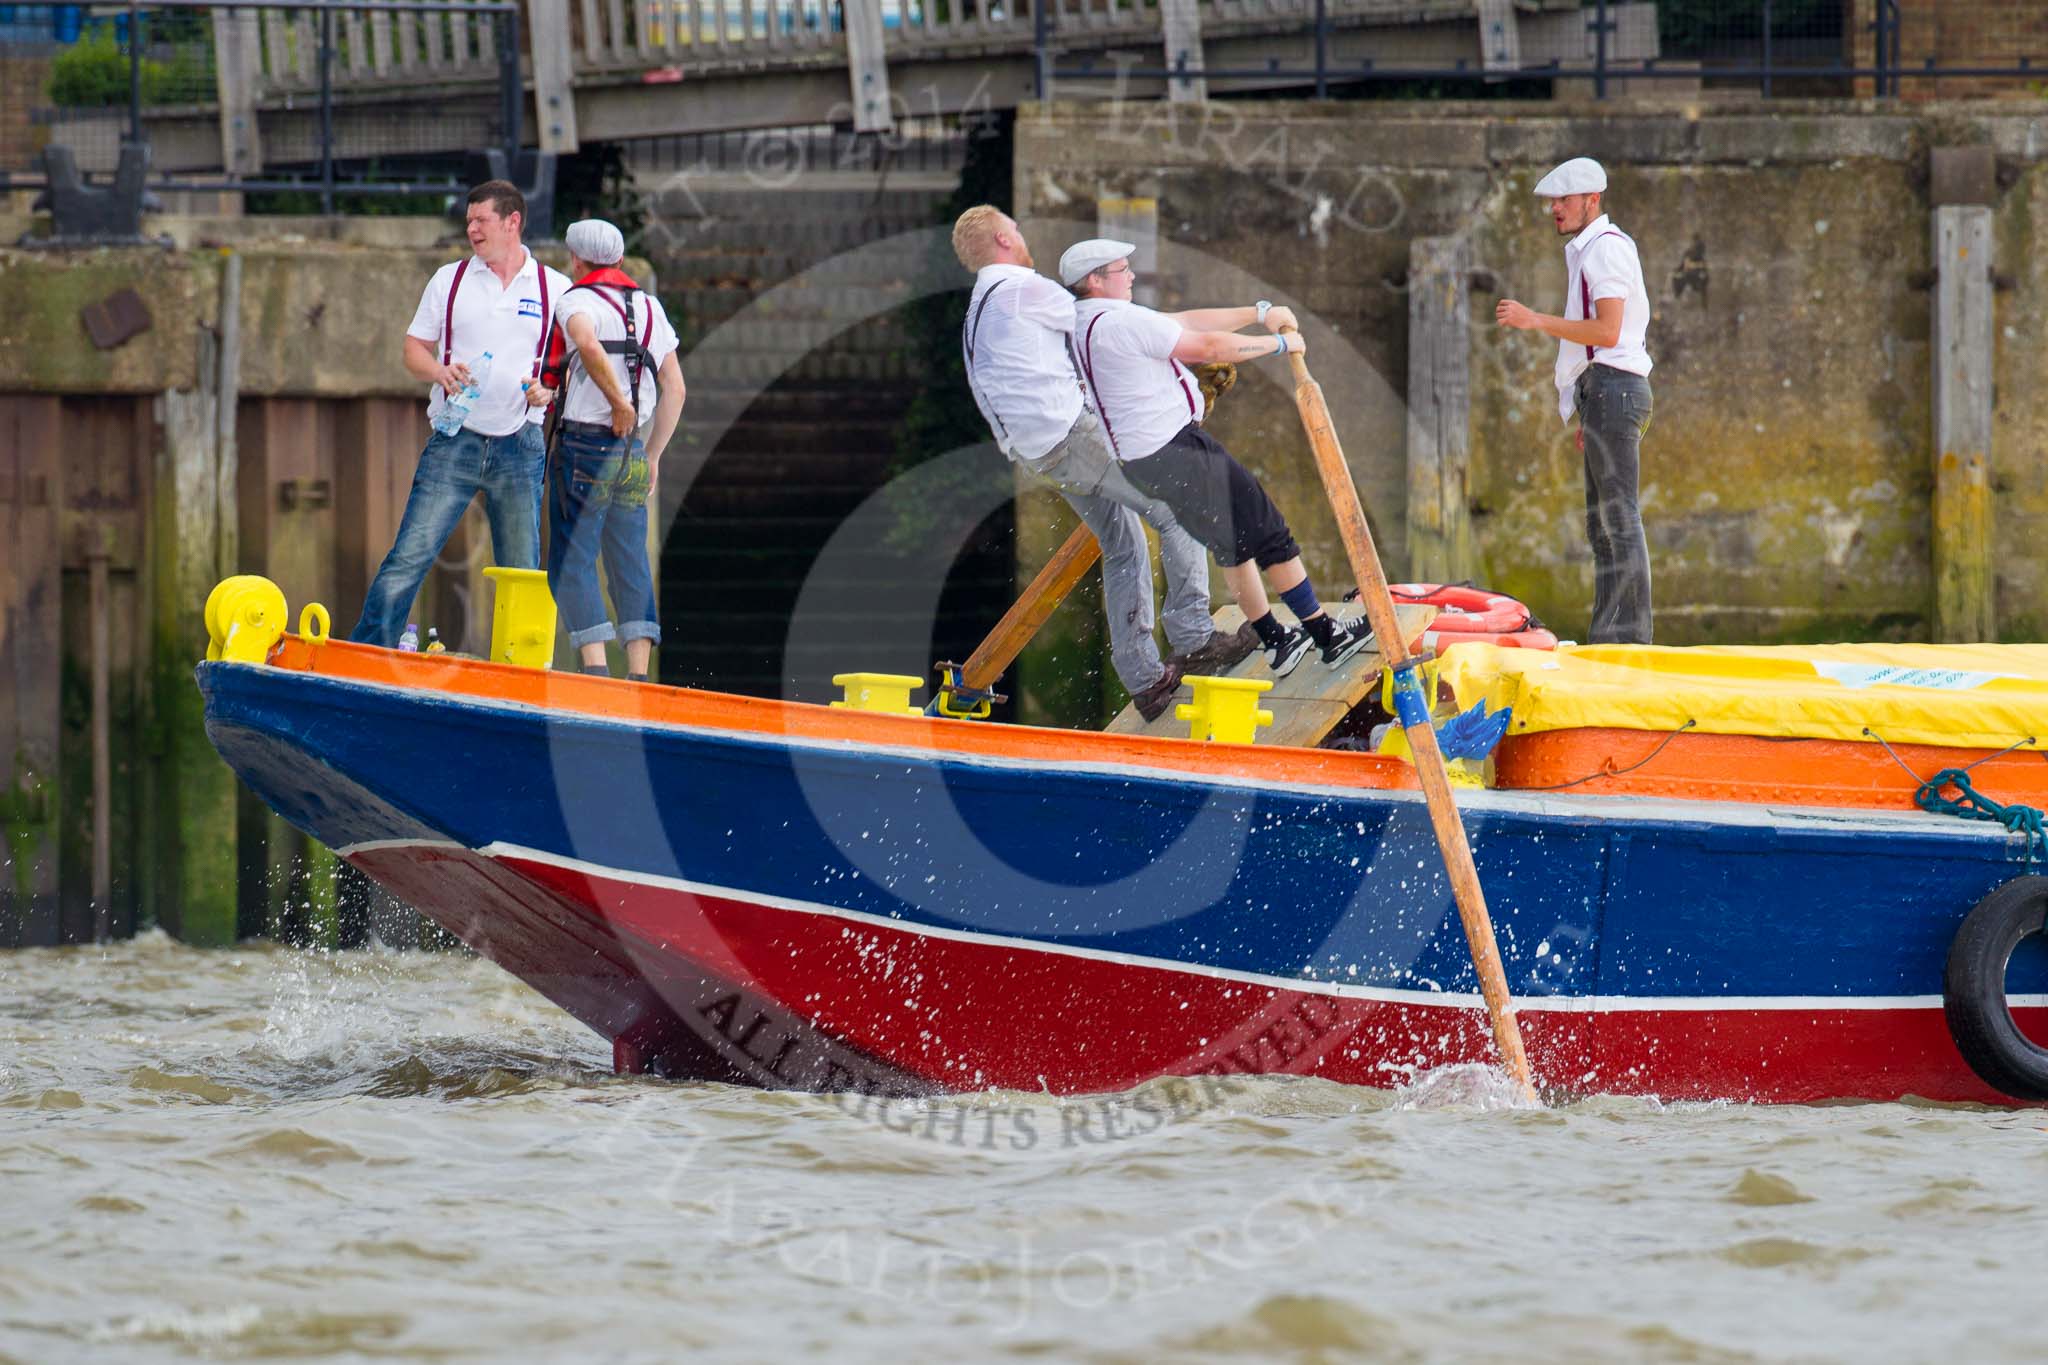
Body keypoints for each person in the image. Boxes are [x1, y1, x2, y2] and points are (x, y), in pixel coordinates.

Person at [950, 206, 1255, 721]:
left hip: (1038, 451)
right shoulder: (1026, 288)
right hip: (1070, 436)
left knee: (1122, 544)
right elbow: (1112, 334)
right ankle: (1196, 638)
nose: (1025, 239)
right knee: (1178, 508)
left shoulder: (978, 310)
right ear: (1003, 239)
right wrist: (1194, 352)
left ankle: (1145, 680)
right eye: (1018, 231)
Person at [1061, 238, 1373, 678]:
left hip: (1146, 462)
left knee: (1233, 544)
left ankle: (1277, 641)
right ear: (1094, 280)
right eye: (1121, 269)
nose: (1131, 276)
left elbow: (1185, 321)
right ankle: (1326, 636)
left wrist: (1258, 314)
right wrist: (1279, 346)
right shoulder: (1117, 321)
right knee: (1270, 532)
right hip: (1178, 451)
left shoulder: (1087, 319)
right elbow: (1206, 347)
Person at [351, 180, 571, 648]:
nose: (471, 229)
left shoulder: (556, 288)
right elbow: (413, 351)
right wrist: (439, 370)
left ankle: (522, 668)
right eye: (469, 221)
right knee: (410, 555)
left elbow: (570, 368)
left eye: (481, 220)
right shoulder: (449, 280)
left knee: (521, 569)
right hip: (455, 439)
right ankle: (370, 650)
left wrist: (549, 390)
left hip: (520, 446)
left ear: (513, 223)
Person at [1495, 155, 1655, 645]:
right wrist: (1587, 407)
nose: (1554, 209)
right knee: (1603, 524)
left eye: (1563, 200)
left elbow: (1607, 332)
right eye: (1552, 201)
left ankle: (1631, 641)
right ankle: (1611, 637)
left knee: (1618, 517)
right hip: (1603, 391)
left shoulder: (1604, 249)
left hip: (1614, 386)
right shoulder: (1592, 249)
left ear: (1592, 200)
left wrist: (1534, 319)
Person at [536, 219, 686, 680]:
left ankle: (597, 674)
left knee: (572, 560)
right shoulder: (649, 308)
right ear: (620, 261)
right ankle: (639, 679)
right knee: (629, 561)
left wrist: (618, 405)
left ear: (576, 261)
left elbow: (585, 342)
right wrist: (654, 453)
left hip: (585, 447)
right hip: (633, 454)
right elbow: (675, 388)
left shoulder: (576, 301)